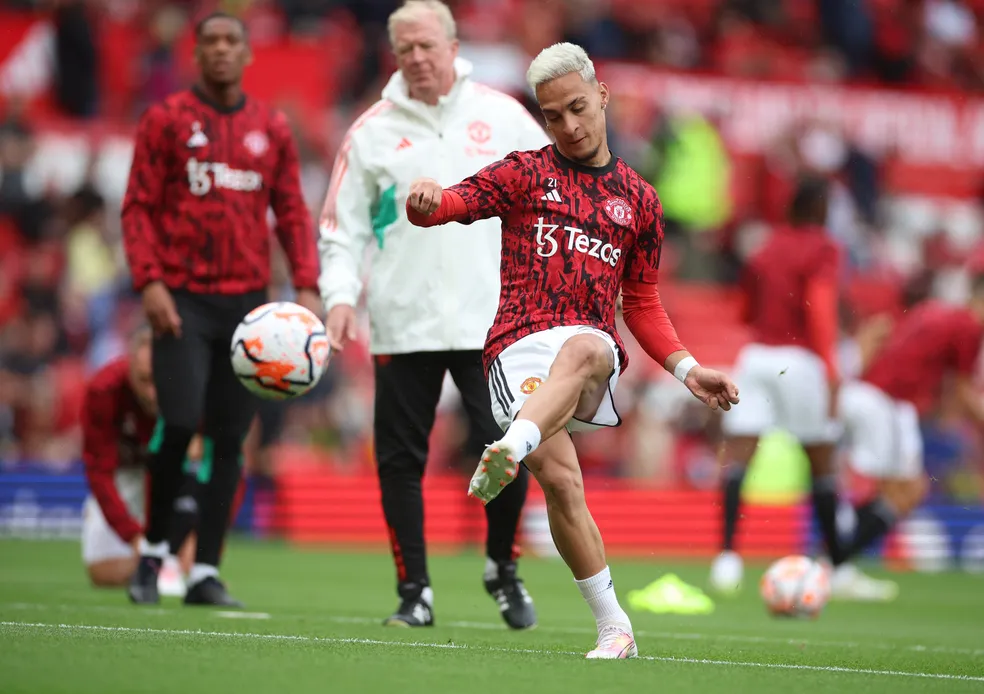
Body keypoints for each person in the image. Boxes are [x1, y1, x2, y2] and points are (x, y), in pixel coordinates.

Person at [406, 42, 739, 658]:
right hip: (515, 350)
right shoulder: (524, 172)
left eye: (579, 108)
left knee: (588, 344)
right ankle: (616, 628)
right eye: (553, 114)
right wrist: (425, 200)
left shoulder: (640, 201)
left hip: (586, 349)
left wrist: (686, 369)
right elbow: (450, 205)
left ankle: (510, 444)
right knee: (563, 487)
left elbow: (639, 302)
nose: (569, 125)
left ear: (603, 95)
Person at [318, 0, 549, 629]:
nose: (417, 58)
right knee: (399, 461)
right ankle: (413, 592)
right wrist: (339, 297)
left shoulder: (505, 117)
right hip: (403, 317)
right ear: (393, 56)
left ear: (453, 46)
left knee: (508, 449)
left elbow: (554, 197)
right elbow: (342, 228)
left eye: (427, 46)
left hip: (494, 321)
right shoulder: (370, 131)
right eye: (405, 49)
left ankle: (502, 565)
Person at [121, 11, 321, 607]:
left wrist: (306, 284)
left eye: (233, 41)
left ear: (248, 53)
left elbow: (291, 211)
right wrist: (149, 282)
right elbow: (136, 208)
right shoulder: (166, 120)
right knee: (180, 422)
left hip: (246, 306)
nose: (222, 51)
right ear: (196, 51)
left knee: (231, 439)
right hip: (180, 300)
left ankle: (205, 569)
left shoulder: (271, 128)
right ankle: (153, 552)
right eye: (210, 41)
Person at [709, 177, 848, 594]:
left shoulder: (766, 246)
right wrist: (831, 366)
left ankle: (727, 560)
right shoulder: (824, 247)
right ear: (821, 206)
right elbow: (820, 305)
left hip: (757, 356)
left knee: (738, 459)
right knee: (820, 458)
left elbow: (746, 311)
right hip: (800, 358)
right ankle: (839, 566)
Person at [836, 275, 984, 598]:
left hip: (875, 395)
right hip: (886, 401)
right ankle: (835, 565)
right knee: (904, 491)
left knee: (901, 490)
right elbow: (961, 391)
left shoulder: (936, 311)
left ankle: (837, 562)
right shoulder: (971, 327)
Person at [81, 327, 197, 593]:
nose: (153, 393)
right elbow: (99, 470)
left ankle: (189, 565)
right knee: (101, 572)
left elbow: (226, 462)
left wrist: (205, 540)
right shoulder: (104, 389)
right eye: (144, 380)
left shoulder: (192, 387)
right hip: (126, 472)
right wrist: (132, 535)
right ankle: (165, 565)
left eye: (159, 381)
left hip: (175, 476)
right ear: (129, 364)